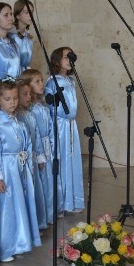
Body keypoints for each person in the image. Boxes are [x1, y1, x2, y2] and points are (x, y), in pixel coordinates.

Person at [0, 78, 41, 263]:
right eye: (8, 99)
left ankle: (19, 241)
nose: (13, 102)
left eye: (15, 98)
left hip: (19, 167)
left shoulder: (18, 121)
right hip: (7, 169)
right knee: (7, 208)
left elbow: (27, 143)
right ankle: (6, 247)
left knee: (19, 205)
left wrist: (28, 166)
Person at [44, 47, 85, 215]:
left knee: (72, 160)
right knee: (61, 160)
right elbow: (50, 105)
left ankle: (73, 200)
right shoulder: (52, 81)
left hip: (70, 125)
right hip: (60, 125)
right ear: (56, 60)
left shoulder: (71, 81)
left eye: (71, 56)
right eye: (65, 57)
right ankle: (61, 202)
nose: (69, 59)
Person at [21, 68, 55, 225]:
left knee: (48, 182)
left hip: (46, 146)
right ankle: (44, 216)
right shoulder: (32, 110)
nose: (42, 84)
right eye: (37, 81)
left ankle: (49, 213)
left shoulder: (41, 105)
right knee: (42, 183)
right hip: (40, 148)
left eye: (42, 80)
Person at [16, 78, 48, 229]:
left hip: (33, 158)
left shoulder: (29, 114)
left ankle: (38, 223)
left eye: (30, 94)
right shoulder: (17, 118)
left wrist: (40, 155)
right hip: (22, 162)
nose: (29, 97)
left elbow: (36, 136)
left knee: (35, 192)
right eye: (25, 94)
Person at [12, 0, 35, 69]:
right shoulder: (11, 36)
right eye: (27, 12)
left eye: (31, 12)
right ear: (18, 16)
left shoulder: (27, 36)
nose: (31, 15)